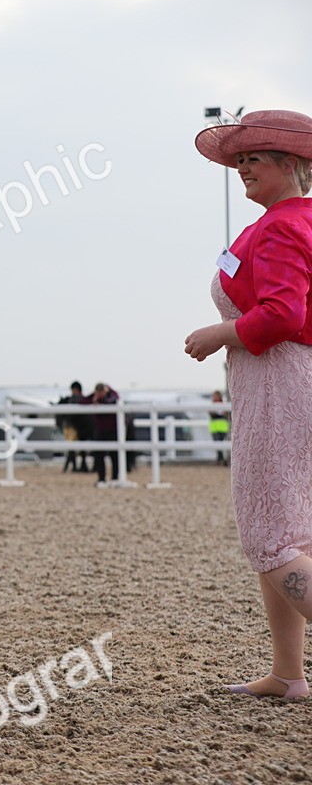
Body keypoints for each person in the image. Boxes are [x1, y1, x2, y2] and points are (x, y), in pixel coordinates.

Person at [187, 109, 312, 700]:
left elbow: (284, 314)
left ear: (289, 163)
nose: (241, 169)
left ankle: (289, 673)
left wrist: (220, 333)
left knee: (270, 536)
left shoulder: (281, 227)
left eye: (253, 159)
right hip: (290, 378)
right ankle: (288, 674)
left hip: (276, 382)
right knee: (294, 532)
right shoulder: (294, 221)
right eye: (239, 161)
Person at [58, 380, 92, 473]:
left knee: (72, 448)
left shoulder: (74, 399)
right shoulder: (82, 399)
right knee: (76, 448)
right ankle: (76, 466)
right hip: (80, 426)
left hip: (73, 426)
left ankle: (71, 467)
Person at [88, 382, 119, 484]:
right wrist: (94, 400)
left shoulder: (113, 395)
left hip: (112, 429)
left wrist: (100, 401)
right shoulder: (95, 396)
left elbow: (114, 401)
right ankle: (101, 478)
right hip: (100, 429)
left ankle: (115, 478)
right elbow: (84, 401)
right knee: (99, 455)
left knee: (114, 455)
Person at [209, 390, 230, 466]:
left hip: (223, 428)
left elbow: (226, 414)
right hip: (215, 428)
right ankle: (220, 459)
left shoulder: (224, 405)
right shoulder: (212, 405)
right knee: (218, 445)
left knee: (222, 445)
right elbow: (211, 414)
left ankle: (222, 459)